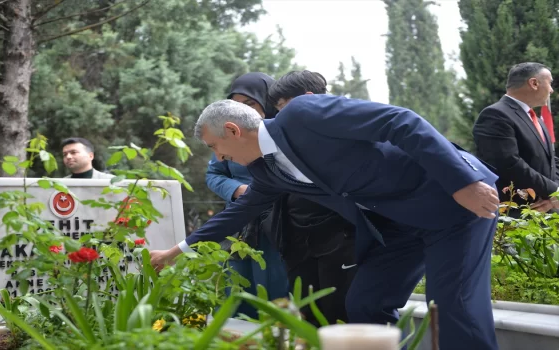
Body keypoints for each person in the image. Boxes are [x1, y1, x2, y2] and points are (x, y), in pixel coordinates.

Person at [151, 91, 501, 349]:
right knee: (365, 302)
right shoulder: (267, 170)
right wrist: (175, 251)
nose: (219, 156)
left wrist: (462, 183)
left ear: (232, 130)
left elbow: (400, 121)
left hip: (454, 202)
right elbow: (239, 212)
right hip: (398, 227)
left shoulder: (303, 115)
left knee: (452, 306)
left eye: (215, 146)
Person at [265, 71, 357, 326]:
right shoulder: (284, 142)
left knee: (340, 315)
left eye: (283, 107)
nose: (279, 116)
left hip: (341, 241)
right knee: (307, 317)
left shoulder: (346, 130)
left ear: (308, 99)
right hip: (298, 243)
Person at [205, 72, 288, 319]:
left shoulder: (284, 132)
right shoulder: (228, 134)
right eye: (236, 104)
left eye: (249, 103)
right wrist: (237, 190)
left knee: (276, 290)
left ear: (267, 101)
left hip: (280, 222)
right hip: (239, 223)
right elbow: (214, 174)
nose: (241, 110)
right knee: (234, 288)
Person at [474, 62, 558, 213]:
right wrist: (554, 191)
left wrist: (553, 198)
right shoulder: (496, 115)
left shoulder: (537, 121)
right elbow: (509, 164)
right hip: (515, 217)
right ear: (534, 83)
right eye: (550, 83)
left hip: (546, 213)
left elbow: (551, 162)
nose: (551, 90)